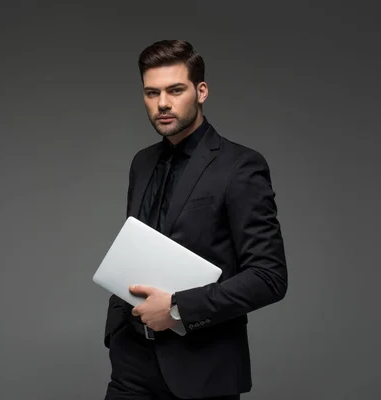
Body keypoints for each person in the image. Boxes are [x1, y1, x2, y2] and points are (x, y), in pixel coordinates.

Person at [103, 40, 288, 400]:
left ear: (201, 91)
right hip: (131, 365)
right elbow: (135, 247)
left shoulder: (240, 166)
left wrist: (177, 309)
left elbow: (270, 277)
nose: (163, 103)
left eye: (175, 90)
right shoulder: (142, 163)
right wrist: (117, 330)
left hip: (202, 371)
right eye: (151, 92)